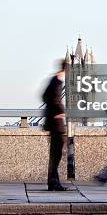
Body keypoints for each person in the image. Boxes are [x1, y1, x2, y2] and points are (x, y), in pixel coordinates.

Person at [42, 60, 68, 191]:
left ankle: (54, 182)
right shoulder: (57, 82)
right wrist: (59, 112)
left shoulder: (53, 80)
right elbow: (55, 100)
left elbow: (44, 97)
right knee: (56, 155)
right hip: (56, 125)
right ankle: (53, 183)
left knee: (55, 155)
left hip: (53, 123)